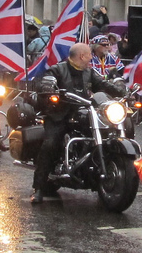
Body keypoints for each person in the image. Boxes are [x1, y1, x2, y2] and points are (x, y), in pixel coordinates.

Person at [31, 42, 125, 204]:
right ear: (82, 56)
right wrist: (48, 86)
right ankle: (38, 188)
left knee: (106, 132)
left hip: (83, 114)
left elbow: (103, 85)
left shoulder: (89, 72)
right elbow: (46, 80)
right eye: (89, 55)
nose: (91, 58)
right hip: (60, 114)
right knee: (50, 144)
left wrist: (123, 92)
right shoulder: (57, 70)